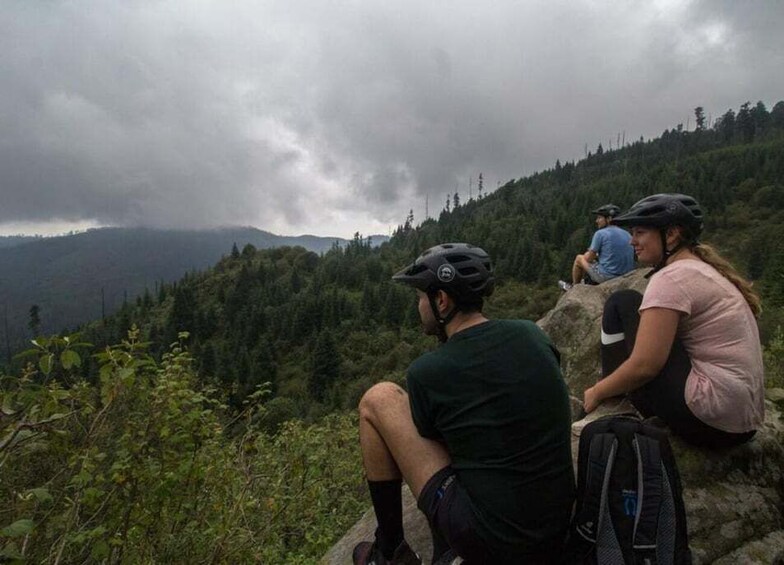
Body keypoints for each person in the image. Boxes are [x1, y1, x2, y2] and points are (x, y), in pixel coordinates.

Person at [353, 243, 574, 564]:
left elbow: (433, 443)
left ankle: (389, 551)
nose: (418, 306)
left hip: (492, 542)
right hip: (556, 525)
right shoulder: (532, 335)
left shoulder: (427, 372)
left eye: (420, 297)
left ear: (441, 300)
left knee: (378, 398)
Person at [582, 193, 765, 448]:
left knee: (621, 302)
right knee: (633, 307)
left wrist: (596, 392)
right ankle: (617, 392)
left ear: (671, 235)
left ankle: (614, 400)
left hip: (710, 420)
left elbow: (646, 365)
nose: (632, 241)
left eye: (640, 232)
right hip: (742, 424)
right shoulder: (700, 269)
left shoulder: (672, 278)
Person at [561, 204, 635, 290]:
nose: (597, 221)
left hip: (607, 277)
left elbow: (588, 258)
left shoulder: (600, 233)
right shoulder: (627, 234)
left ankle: (574, 287)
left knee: (579, 258)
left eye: (599, 218)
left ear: (609, 219)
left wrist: (587, 254)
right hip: (626, 276)